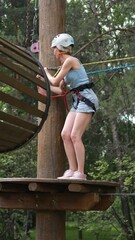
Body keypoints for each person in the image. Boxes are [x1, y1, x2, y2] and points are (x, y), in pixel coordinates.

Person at [44, 33, 99, 180]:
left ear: (60, 49)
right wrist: (42, 82)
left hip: (87, 99)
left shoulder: (71, 61)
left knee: (75, 135)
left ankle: (80, 172)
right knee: (65, 134)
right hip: (78, 101)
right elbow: (60, 89)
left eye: (54, 48)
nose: (53, 51)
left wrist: (45, 74)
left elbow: (54, 81)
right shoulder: (65, 67)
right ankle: (72, 169)